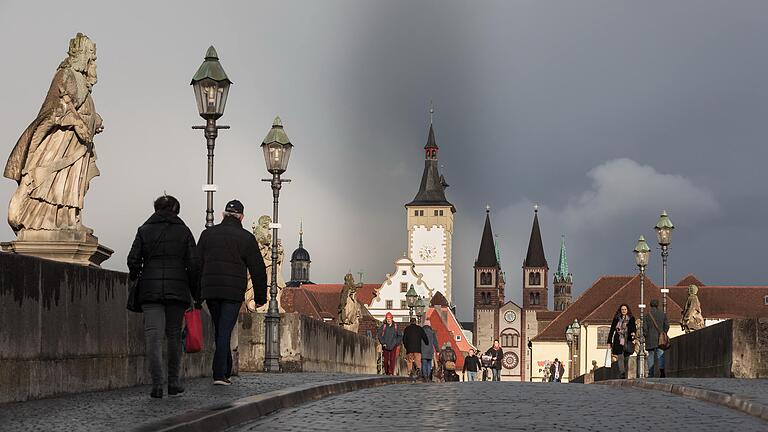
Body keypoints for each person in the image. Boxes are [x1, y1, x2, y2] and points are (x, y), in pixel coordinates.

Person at [127, 195, 198, 398]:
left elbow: (133, 260)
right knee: (174, 336)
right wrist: (194, 291)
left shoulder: (144, 230)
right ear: (176, 209)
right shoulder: (184, 231)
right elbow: (193, 265)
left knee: (153, 338)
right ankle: (173, 382)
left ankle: (157, 385)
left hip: (150, 290)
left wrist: (137, 276)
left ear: (156, 209)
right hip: (177, 291)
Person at [198, 200, 267, 386]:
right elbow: (258, 269)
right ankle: (219, 374)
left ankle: (225, 370)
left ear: (223, 215)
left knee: (221, 330)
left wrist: (197, 293)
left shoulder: (207, 235)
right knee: (224, 331)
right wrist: (260, 298)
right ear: (242, 217)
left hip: (211, 290)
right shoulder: (246, 238)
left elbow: (196, 264)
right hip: (232, 292)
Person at [607, 303, 637, 379]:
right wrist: (609, 342)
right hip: (619, 339)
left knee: (626, 357)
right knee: (620, 356)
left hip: (628, 339)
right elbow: (612, 330)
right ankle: (622, 372)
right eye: (622, 309)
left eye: (625, 309)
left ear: (627, 310)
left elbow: (633, 328)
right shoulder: (616, 318)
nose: (623, 311)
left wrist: (633, 337)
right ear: (620, 310)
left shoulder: (631, 318)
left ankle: (625, 371)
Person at [644, 298, 669, 378]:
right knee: (660, 355)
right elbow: (667, 325)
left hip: (650, 338)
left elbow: (644, 327)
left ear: (650, 305)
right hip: (660, 338)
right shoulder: (662, 314)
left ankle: (650, 373)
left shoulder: (647, 315)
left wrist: (646, 335)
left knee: (651, 356)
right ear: (657, 305)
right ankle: (662, 372)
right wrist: (664, 333)